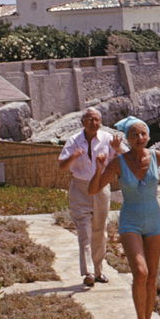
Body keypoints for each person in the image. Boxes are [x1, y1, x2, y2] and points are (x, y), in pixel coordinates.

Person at [89, 118, 160, 319]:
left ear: (149, 137)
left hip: (155, 220)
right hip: (130, 222)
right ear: (127, 138)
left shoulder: (156, 157)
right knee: (141, 272)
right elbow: (94, 189)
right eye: (134, 135)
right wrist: (99, 169)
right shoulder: (118, 162)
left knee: (153, 275)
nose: (139, 138)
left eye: (143, 134)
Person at [58, 108, 124, 286]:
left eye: (96, 119)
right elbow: (62, 165)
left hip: (101, 187)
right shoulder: (74, 140)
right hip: (80, 187)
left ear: (100, 122)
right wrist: (74, 156)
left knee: (99, 231)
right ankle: (87, 272)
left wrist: (117, 149)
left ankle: (98, 271)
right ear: (82, 122)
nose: (93, 123)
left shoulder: (108, 139)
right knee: (83, 230)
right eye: (89, 119)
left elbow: (125, 158)